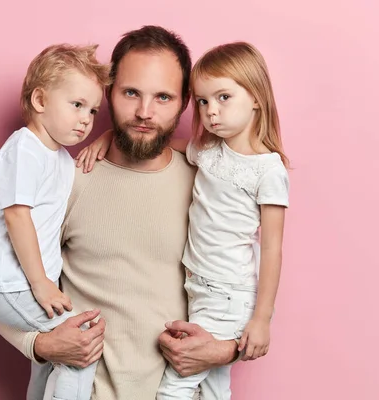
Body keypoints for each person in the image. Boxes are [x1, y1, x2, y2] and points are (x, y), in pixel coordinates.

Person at [0, 26, 242, 400]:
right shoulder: (65, 181)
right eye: (131, 92)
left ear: (185, 102)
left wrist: (224, 350)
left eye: (163, 97)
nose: (144, 112)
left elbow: (243, 289)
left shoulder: (210, 184)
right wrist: (39, 346)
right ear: (108, 94)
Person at [77, 42, 290, 399]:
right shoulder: (207, 155)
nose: (211, 112)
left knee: (177, 387)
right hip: (199, 287)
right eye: (205, 102)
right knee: (213, 386)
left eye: (224, 98)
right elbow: (164, 143)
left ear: (256, 98)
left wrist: (260, 321)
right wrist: (110, 134)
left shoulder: (262, 171)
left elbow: (272, 249)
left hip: (226, 291)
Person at [0, 43, 110, 400]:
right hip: (11, 283)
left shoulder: (62, 159)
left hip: (30, 282)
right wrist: (41, 284)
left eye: (93, 110)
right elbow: (17, 217)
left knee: (53, 356)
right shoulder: (24, 149)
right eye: (77, 105)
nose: (86, 119)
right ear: (40, 101)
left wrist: (107, 138)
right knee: (81, 348)